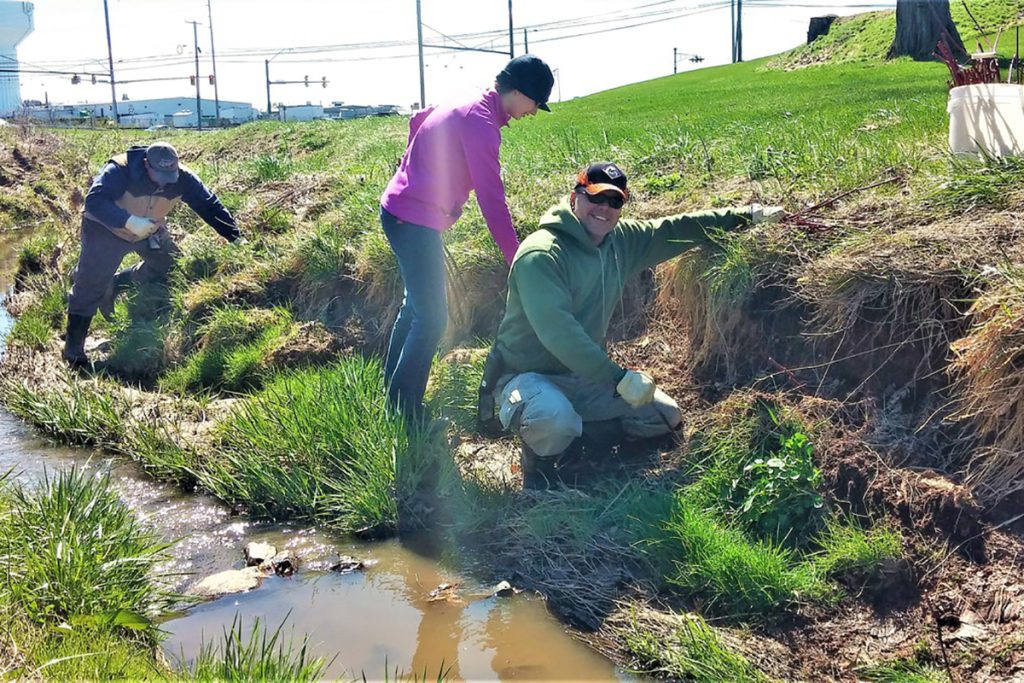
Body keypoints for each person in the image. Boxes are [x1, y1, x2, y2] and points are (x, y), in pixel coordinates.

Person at [487, 162, 784, 489]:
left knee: (663, 418)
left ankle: (584, 440)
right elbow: (560, 334)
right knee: (552, 419)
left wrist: (748, 215)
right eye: (595, 198)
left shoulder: (620, 241)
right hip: (528, 376)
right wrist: (618, 378)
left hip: (582, 376)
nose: (604, 209)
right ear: (575, 198)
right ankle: (542, 468)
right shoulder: (541, 255)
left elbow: (673, 230)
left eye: (615, 202)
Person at [379, 54, 555, 418]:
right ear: (520, 93)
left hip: (401, 210)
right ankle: (404, 411)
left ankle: (393, 391)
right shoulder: (482, 124)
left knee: (415, 308)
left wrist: (407, 169)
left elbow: (418, 120)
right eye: (536, 103)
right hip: (414, 220)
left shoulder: (469, 98)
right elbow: (493, 202)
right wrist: (516, 259)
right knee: (432, 319)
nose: (535, 112)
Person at [64, 141, 243, 367]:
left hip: (149, 230)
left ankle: (117, 284)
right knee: (90, 284)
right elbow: (94, 201)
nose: (164, 182)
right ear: (146, 164)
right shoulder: (119, 170)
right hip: (105, 229)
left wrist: (236, 237)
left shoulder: (183, 179)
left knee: (172, 268)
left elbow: (209, 205)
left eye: (170, 176)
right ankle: (74, 351)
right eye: (159, 175)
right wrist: (128, 221)